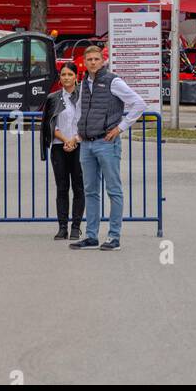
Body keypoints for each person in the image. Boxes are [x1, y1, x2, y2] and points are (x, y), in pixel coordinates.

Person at [69, 44, 146, 252]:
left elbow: (139, 104)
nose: (93, 62)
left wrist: (120, 128)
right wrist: (76, 136)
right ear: (84, 62)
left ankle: (114, 236)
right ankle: (92, 236)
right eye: (89, 60)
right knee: (90, 191)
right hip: (86, 143)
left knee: (114, 190)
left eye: (96, 59)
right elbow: (80, 111)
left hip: (106, 142)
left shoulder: (114, 81)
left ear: (102, 61)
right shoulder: (84, 83)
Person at [40, 61, 85, 241]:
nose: (66, 78)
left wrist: (75, 139)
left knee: (79, 187)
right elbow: (48, 125)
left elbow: (87, 122)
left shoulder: (83, 96)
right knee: (62, 187)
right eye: (63, 75)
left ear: (76, 76)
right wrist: (66, 140)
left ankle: (76, 227)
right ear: (60, 78)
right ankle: (62, 227)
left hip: (79, 145)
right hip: (59, 146)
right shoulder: (53, 98)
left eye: (70, 74)